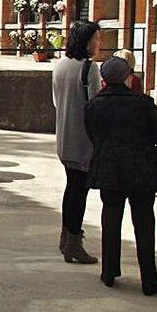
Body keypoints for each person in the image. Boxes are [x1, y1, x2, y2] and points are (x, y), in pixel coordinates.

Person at [85, 56, 157, 295]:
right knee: (144, 223)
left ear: (103, 79)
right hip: (141, 170)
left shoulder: (94, 105)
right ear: (128, 77)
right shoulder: (142, 103)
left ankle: (109, 272)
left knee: (111, 219)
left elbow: (92, 136)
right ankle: (149, 281)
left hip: (109, 169)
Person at [52, 20, 101, 264]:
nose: (98, 43)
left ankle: (65, 239)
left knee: (71, 188)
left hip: (64, 137)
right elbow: (95, 106)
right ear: (86, 41)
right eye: (96, 39)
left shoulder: (60, 65)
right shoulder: (89, 69)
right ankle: (74, 243)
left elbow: (56, 101)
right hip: (83, 141)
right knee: (79, 191)